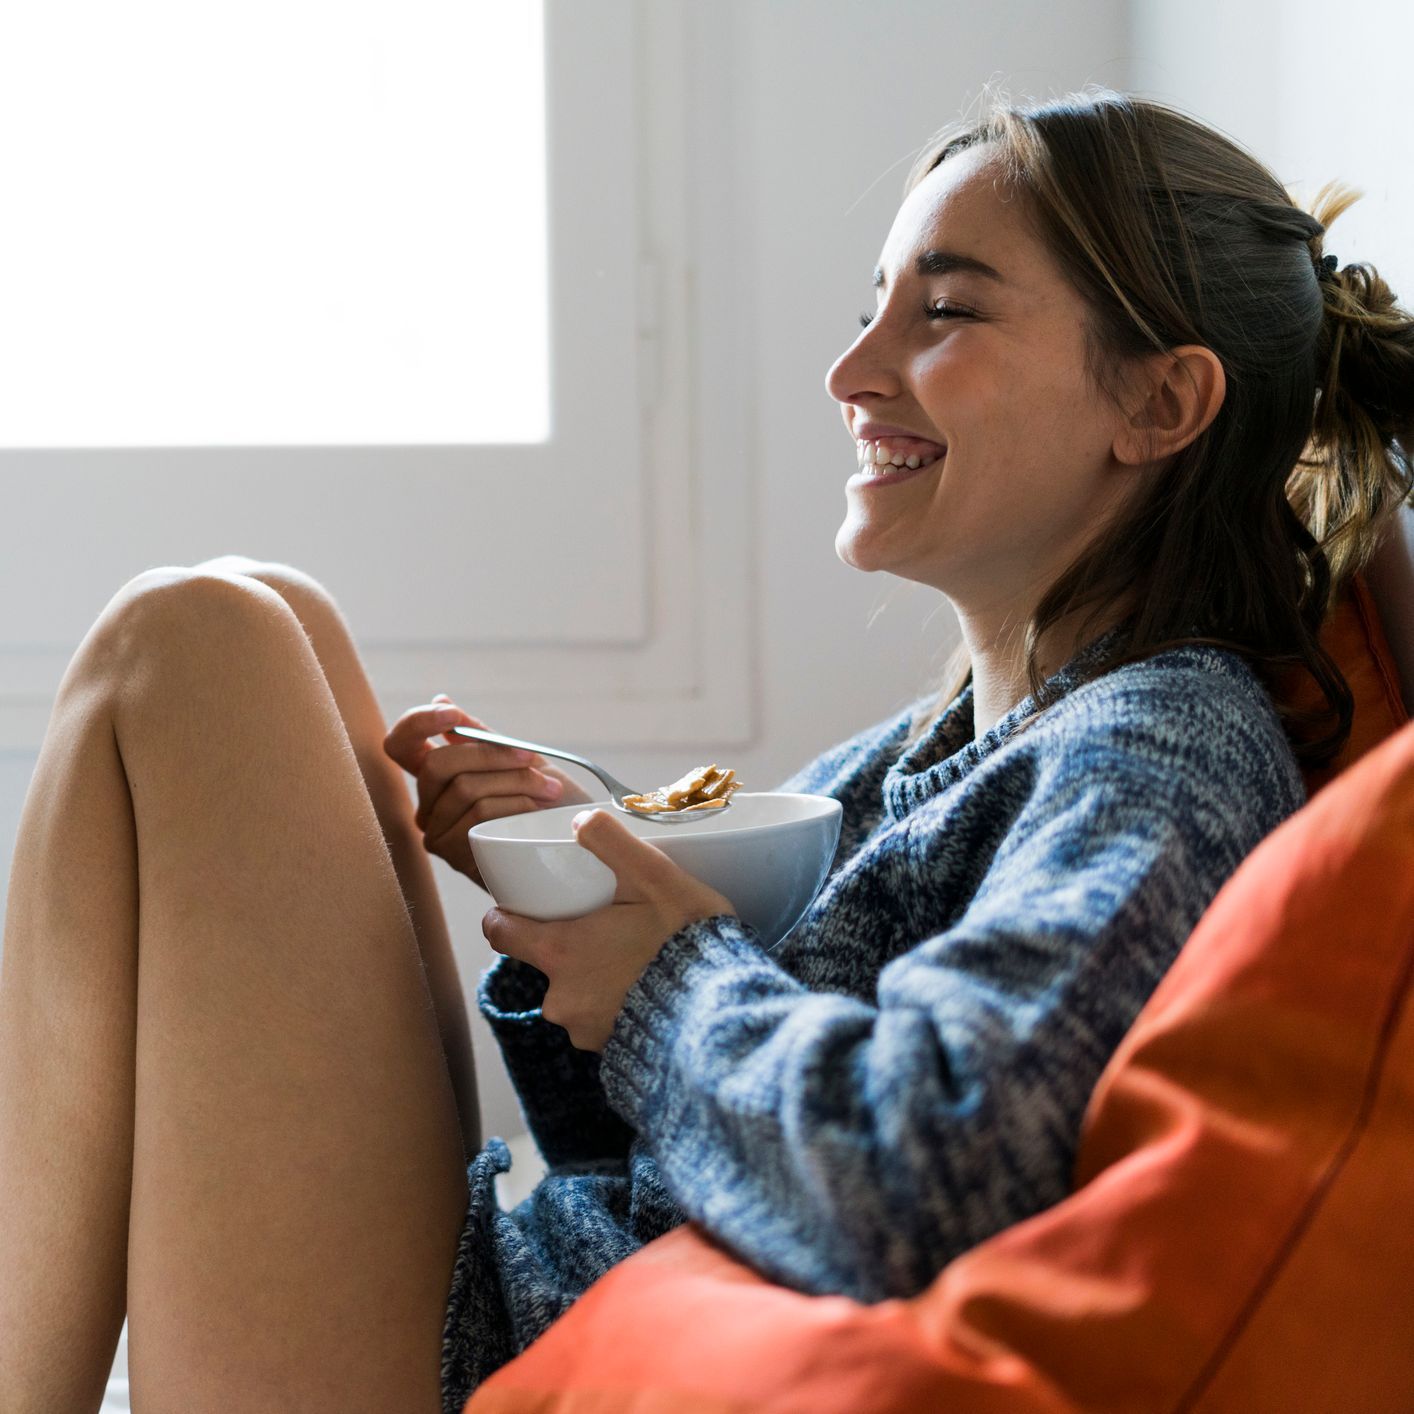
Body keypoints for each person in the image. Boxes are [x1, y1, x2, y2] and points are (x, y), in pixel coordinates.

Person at [1, 86, 1410, 1414]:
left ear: (1155, 405)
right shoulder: (935, 747)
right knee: (273, 619)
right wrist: (576, 903)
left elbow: (938, 1168)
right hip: (528, 1284)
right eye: (870, 311)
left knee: (191, 641)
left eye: (943, 311)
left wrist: (668, 978)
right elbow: (632, 1154)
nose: (852, 369)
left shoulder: (1153, 751)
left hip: (488, 1346)